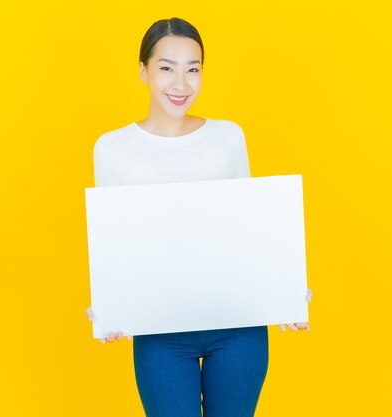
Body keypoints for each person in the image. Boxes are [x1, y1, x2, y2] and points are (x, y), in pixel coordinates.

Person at [85, 17, 312, 417]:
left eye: (193, 69)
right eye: (166, 68)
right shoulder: (112, 148)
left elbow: (250, 230)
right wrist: (108, 302)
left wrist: (286, 290)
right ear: (143, 71)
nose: (181, 83)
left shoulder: (228, 137)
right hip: (161, 333)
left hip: (238, 327)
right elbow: (114, 244)